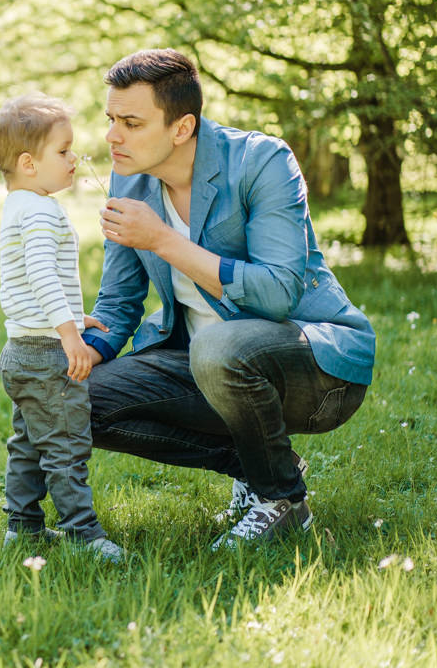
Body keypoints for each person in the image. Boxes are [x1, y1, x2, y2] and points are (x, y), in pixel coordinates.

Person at [80, 49, 375, 549]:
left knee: (218, 347)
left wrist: (163, 240)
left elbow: (281, 291)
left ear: (181, 127)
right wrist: (84, 352)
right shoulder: (129, 178)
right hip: (200, 363)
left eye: (130, 122)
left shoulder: (262, 161)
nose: (112, 136)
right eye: (111, 119)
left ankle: (283, 499)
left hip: (316, 366)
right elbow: (120, 301)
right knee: (73, 400)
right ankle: (257, 466)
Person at [0, 93, 124, 562]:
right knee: (65, 447)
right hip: (46, 354)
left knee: (28, 444)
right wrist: (69, 335)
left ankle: (21, 528)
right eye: (63, 152)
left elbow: (30, 279)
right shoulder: (41, 211)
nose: (75, 160)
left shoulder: (18, 205)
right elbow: (43, 275)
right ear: (28, 162)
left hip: (20, 349)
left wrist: (72, 313)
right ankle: (84, 534)